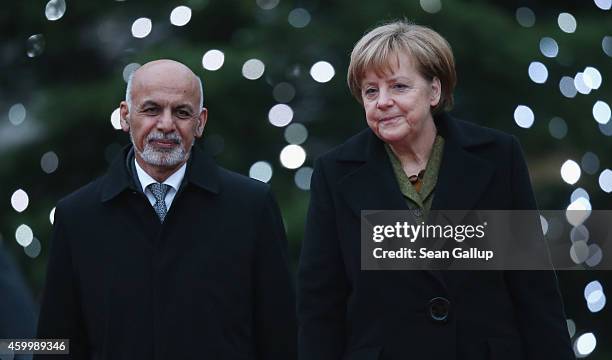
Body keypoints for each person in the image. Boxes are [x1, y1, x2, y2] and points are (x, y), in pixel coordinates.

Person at [297, 21, 574, 359]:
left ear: (434, 92)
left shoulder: (498, 156)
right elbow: (320, 304)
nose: (381, 101)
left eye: (398, 86)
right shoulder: (334, 172)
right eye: (370, 91)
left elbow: (534, 288)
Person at [36, 59, 296, 359]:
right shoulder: (77, 216)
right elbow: (54, 342)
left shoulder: (251, 205)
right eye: (151, 109)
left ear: (200, 122)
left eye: (182, 112)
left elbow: (281, 333)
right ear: (125, 116)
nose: (166, 124)